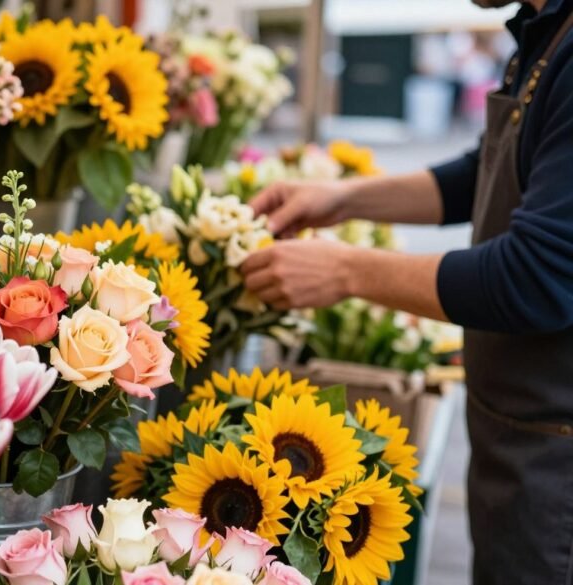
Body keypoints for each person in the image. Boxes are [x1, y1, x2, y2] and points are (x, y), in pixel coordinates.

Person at [241, 0, 573, 582]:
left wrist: (347, 272)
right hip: (520, 431)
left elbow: (538, 275)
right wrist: (341, 198)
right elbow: (484, 174)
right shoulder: (544, 27)